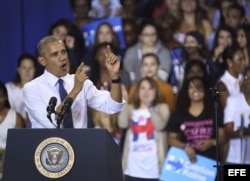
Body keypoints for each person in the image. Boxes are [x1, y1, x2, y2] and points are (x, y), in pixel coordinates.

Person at [23, 35, 124, 128]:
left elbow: (113, 106)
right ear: (42, 61)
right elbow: (52, 121)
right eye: (55, 54)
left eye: (63, 52)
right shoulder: (32, 88)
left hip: (79, 145)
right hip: (51, 146)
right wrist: (75, 90)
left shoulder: (80, 81)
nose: (62, 57)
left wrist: (115, 78)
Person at [118, 77, 170, 180]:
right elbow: (122, 124)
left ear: (156, 91)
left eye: (150, 88)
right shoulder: (130, 108)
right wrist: (125, 102)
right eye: (143, 88)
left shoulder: (162, 108)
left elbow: (160, 125)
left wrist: (150, 107)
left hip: (154, 170)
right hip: (132, 169)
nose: (146, 92)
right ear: (138, 91)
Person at [224, 66, 250, 164]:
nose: (248, 81)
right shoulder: (233, 101)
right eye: (245, 78)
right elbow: (228, 131)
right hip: (235, 160)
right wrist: (244, 132)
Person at [0, 81, 25, 179]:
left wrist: (4, 151)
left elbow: (21, 146)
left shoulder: (16, 117)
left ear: (5, 97)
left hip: (7, 160)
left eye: (0, 96)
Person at [5, 53, 37, 125]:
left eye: (30, 68)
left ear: (35, 70)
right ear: (18, 70)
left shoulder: (40, 90)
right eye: (24, 68)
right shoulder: (8, 88)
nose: (27, 71)